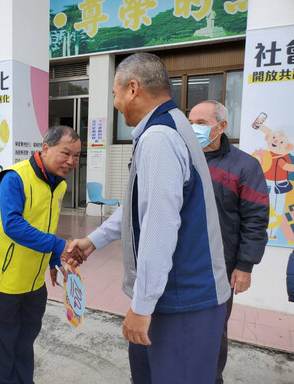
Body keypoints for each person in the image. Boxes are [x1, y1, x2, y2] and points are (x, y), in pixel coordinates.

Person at [65, 53, 231, 384]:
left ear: (132, 88)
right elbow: (141, 205)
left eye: (114, 94)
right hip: (179, 297)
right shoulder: (173, 126)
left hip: (182, 301)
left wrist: (141, 307)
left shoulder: (158, 138)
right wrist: (93, 240)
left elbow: (159, 227)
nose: (115, 103)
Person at [0, 125, 82, 384]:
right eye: (65, 153)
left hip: (34, 282)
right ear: (46, 148)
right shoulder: (14, 177)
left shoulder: (58, 184)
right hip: (5, 281)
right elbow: (13, 225)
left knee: (25, 342)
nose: (71, 162)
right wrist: (59, 246)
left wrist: (51, 260)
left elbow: (44, 224)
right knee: (4, 346)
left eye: (77, 156)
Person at [189, 100, 269, 384]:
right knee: (181, 327)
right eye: (190, 123)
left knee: (214, 330)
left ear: (221, 126)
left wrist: (245, 265)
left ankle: (211, 378)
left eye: (200, 123)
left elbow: (256, 219)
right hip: (183, 262)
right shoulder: (183, 159)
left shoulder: (245, 166)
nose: (193, 129)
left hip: (220, 266)